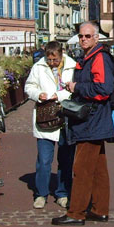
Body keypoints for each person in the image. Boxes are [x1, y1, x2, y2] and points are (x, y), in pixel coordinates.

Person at [53, 22, 114, 226]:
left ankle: (76, 212)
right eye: (81, 36)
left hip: (92, 119)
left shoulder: (98, 57)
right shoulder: (90, 57)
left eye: (88, 36)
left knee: (82, 168)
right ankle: (99, 210)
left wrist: (76, 86)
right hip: (94, 119)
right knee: (98, 169)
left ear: (96, 38)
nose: (83, 40)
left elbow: (104, 89)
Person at [24, 41, 76, 209]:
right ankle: (41, 194)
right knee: (44, 160)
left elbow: (75, 88)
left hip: (66, 117)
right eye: (49, 59)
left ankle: (63, 193)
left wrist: (58, 95)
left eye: (55, 60)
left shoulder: (72, 66)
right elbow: (29, 87)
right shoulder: (38, 67)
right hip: (45, 117)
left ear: (61, 55)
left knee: (66, 159)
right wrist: (39, 94)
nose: (52, 62)